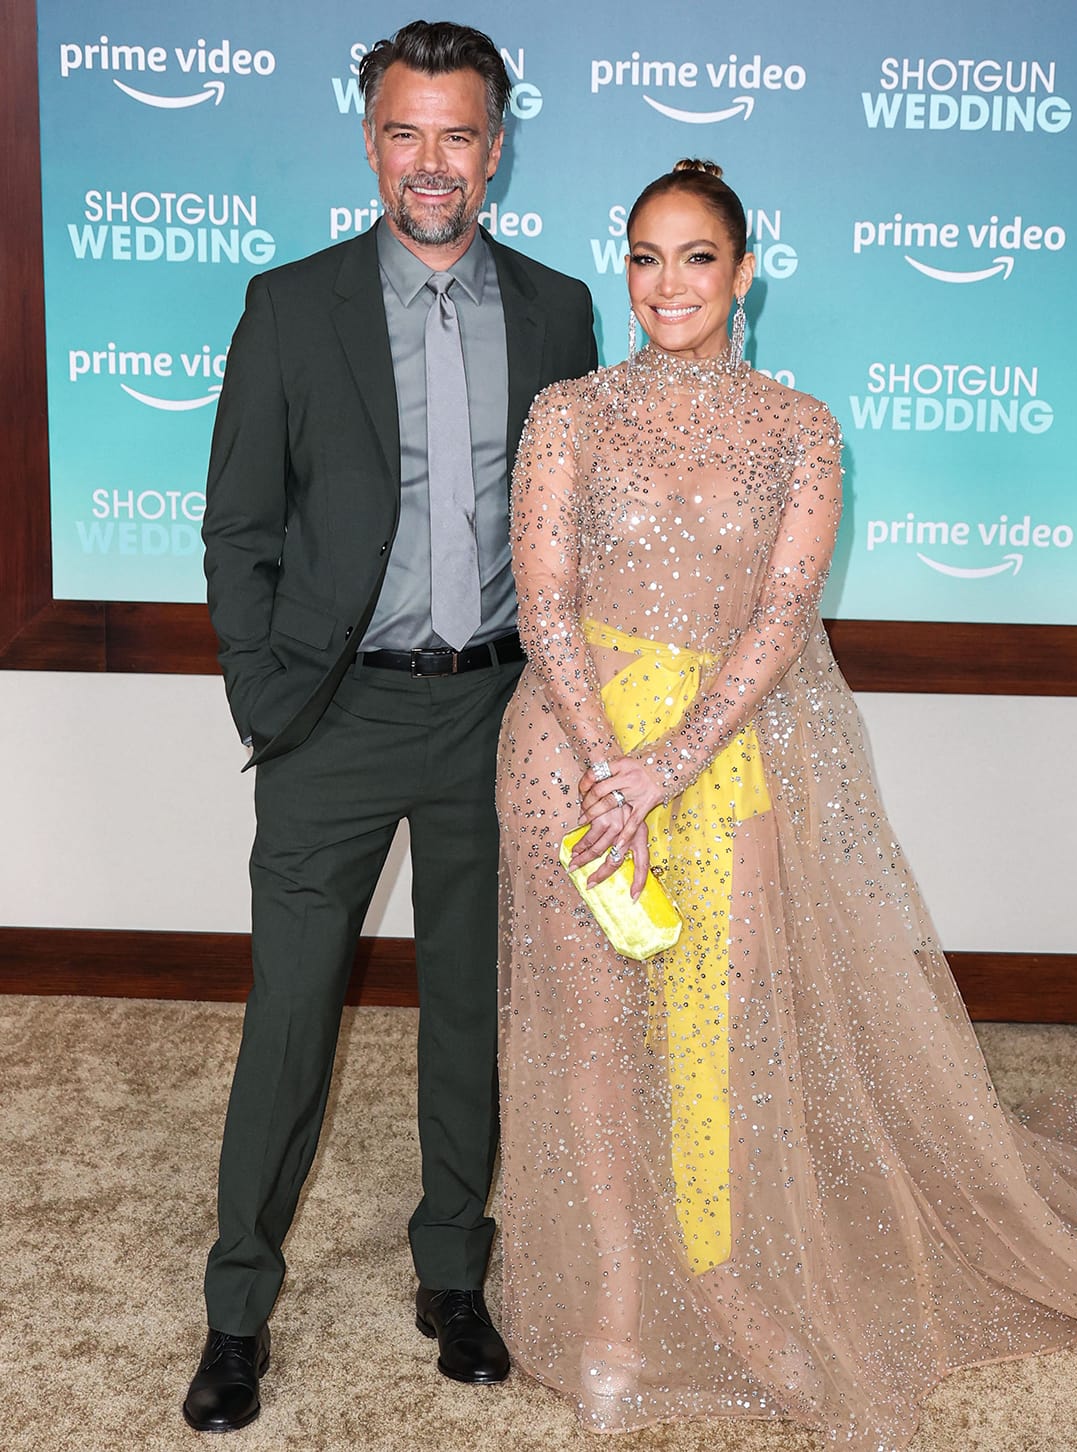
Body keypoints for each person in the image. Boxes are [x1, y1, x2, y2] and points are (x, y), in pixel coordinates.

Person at [495, 159, 1077, 1449]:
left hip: (724, 758)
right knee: (591, 1036)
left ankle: (728, 1281)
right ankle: (615, 1303)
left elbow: (780, 614)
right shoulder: (569, 412)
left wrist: (673, 767)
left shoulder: (801, 426)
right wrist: (612, 767)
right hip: (568, 754)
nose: (667, 285)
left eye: (696, 258)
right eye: (645, 257)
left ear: (743, 270)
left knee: (725, 1036)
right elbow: (542, 605)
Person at [186, 20, 596, 1433]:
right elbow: (239, 520)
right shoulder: (290, 306)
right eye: (407, 132)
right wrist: (268, 692)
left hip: (495, 710)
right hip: (337, 715)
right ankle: (237, 1305)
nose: (434, 162)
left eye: (460, 134)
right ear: (371, 143)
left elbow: (574, 526)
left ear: (498, 146)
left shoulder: (556, 309)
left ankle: (454, 1272)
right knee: (291, 1015)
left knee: (471, 1007)